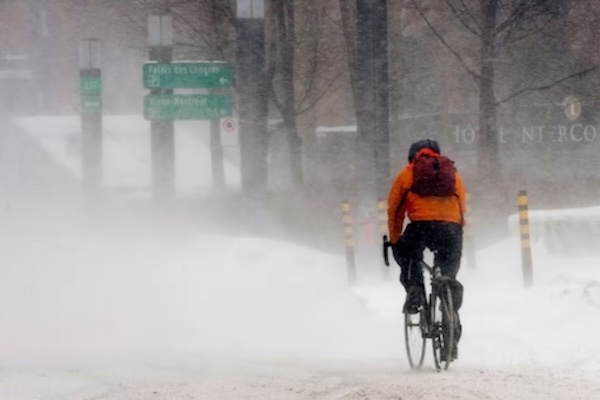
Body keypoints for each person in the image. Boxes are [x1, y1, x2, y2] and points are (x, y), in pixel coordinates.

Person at [387, 139, 466, 357]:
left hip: (421, 227)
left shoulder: (408, 173)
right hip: (450, 228)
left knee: (410, 256)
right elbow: (461, 205)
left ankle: (414, 290)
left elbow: (394, 210)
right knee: (448, 270)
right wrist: (456, 230)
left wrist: (395, 240)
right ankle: (450, 300)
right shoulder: (453, 173)